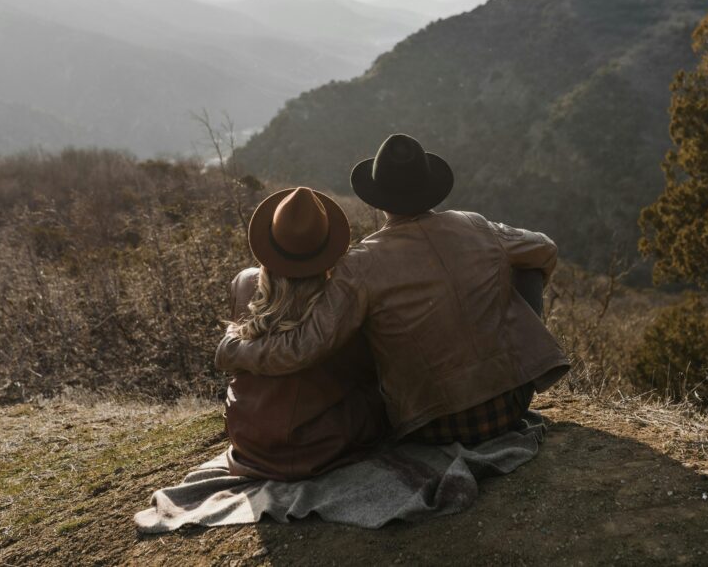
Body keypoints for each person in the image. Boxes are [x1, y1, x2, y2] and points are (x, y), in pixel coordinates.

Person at [216, 134, 570, 445]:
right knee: (524, 268)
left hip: (432, 424)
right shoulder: (476, 225)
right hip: (511, 404)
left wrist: (234, 350)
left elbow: (302, 349)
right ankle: (517, 363)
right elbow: (545, 249)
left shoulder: (361, 264)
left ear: (377, 198)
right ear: (430, 186)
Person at [222, 186, 389, 480]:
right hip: (323, 443)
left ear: (268, 243)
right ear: (327, 247)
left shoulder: (244, 284)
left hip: (249, 438)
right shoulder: (339, 301)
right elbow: (366, 369)